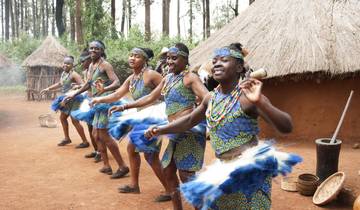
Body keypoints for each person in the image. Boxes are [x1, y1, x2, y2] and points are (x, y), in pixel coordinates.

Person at [144, 43, 293, 209]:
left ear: (239, 68)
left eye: (224, 60)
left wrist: (260, 103)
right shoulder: (211, 99)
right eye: (214, 61)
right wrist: (161, 129)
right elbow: (189, 121)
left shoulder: (247, 98)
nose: (217, 64)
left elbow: (286, 126)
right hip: (223, 168)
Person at [111, 43, 209, 210]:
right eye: (168, 58)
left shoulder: (190, 78)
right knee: (168, 172)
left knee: (186, 175)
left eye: (174, 58)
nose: (169, 61)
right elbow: (150, 97)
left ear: (185, 59)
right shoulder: (168, 78)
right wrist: (125, 106)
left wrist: (199, 112)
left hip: (189, 132)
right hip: (174, 131)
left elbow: (209, 99)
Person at [91, 47, 171, 201]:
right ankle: (134, 185)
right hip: (140, 117)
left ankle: (169, 190)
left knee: (151, 155)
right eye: (131, 55)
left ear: (145, 60)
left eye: (137, 56)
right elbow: (117, 94)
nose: (132, 58)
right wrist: (99, 98)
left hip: (153, 119)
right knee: (131, 149)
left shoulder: (152, 75)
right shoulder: (132, 78)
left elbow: (169, 91)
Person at [64, 40, 129, 178]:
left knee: (104, 135)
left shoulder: (105, 65)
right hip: (96, 103)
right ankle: (106, 165)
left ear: (102, 50)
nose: (93, 50)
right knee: (96, 135)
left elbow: (117, 82)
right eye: (91, 48)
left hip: (105, 103)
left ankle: (122, 166)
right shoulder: (92, 66)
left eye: (96, 48)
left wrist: (104, 89)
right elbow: (88, 85)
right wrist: (72, 95)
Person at [40, 56, 90, 148]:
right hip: (66, 99)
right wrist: (48, 88)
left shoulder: (74, 75)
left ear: (72, 65)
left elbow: (84, 85)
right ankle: (67, 138)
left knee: (75, 121)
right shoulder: (64, 73)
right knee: (62, 118)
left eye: (68, 63)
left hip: (75, 99)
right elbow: (60, 84)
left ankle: (85, 141)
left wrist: (76, 87)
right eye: (64, 63)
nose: (65, 65)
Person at [78, 49, 101, 163]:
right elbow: (87, 85)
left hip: (97, 102)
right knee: (90, 127)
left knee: (98, 130)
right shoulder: (87, 71)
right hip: (89, 101)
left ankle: (101, 152)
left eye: (83, 61)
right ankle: (96, 150)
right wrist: (78, 88)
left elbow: (97, 86)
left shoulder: (98, 69)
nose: (81, 64)